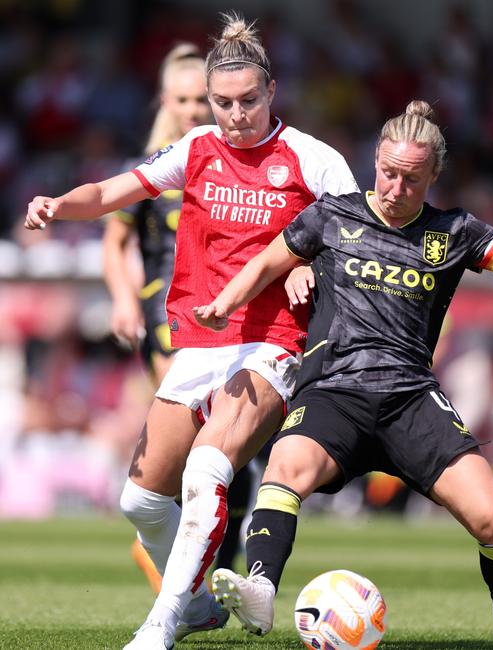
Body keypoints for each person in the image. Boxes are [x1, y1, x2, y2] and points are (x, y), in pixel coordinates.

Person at [194, 100, 493, 650]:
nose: (395, 189)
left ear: (433, 177)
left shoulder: (453, 232)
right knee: (285, 466)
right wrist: (224, 304)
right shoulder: (332, 216)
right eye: (388, 173)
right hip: (334, 392)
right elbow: (266, 263)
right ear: (375, 160)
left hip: (410, 399)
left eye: (411, 180)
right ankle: (260, 588)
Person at [24, 12, 358, 650]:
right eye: (223, 103)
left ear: (272, 92)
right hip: (199, 342)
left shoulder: (315, 161)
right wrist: (58, 204)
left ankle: (162, 623)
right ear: (209, 101)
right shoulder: (195, 149)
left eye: (249, 101)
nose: (237, 115)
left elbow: (354, 242)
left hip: (272, 343)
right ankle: (202, 602)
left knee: (209, 467)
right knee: (140, 503)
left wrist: (306, 266)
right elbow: (113, 193)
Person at [102, 42, 255, 595]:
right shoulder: (152, 166)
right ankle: (164, 544)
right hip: (165, 310)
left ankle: (215, 561)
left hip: (224, 311)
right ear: (166, 99)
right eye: (185, 99)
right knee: (197, 434)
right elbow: (114, 242)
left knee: (228, 448)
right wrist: (123, 299)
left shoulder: (227, 160)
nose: (194, 109)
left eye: (201, 99)